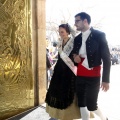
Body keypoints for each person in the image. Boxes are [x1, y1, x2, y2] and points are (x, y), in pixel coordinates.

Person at [72, 12, 111, 120]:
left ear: (85, 21)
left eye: (77, 21)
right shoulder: (77, 38)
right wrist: (75, 57)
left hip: (93, 76)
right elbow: (74, 53)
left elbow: (107, 59)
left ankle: (104, 118)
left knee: (91, 105)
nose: (75, 24)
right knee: (81, 104)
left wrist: (106, 80)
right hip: (80, 75)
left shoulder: (99, 35)